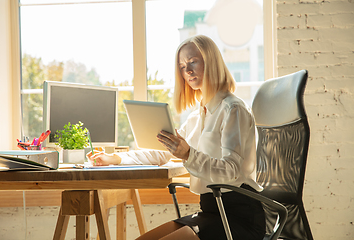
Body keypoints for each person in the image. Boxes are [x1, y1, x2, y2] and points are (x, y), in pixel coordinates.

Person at [87, 35, 266, 240]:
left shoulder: (233, 109)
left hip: (238, 218)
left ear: (211, 61)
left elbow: (231, 171)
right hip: (211, 213)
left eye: (193, 62)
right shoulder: (197, 117)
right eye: (182, 66)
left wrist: (188, 154)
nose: (187, 71)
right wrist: (115, 159)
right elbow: (164, 152)